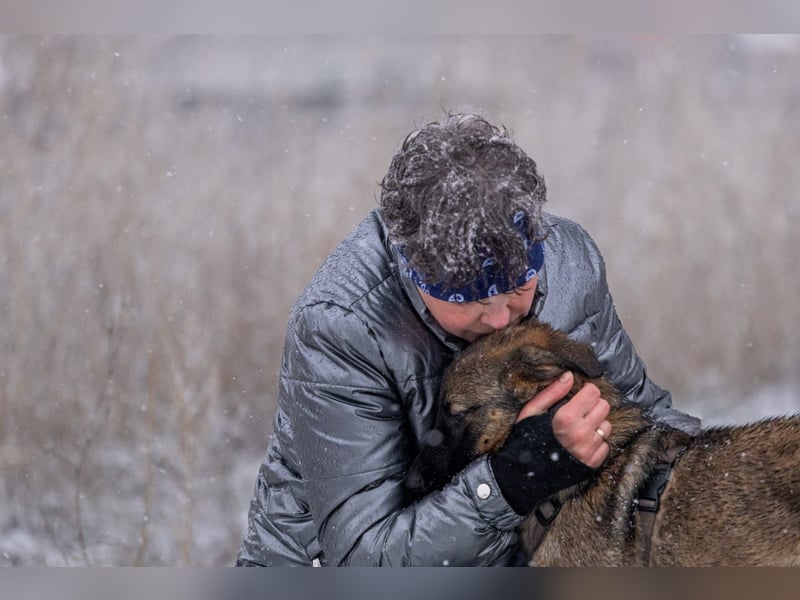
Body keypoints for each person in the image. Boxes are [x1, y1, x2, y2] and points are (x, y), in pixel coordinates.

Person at [237, 113, 700, 567]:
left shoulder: (569, 260)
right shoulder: (341, 327)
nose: (500, 318)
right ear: (413, 268)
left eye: (519, 285)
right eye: (468, 298)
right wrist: (518, 475)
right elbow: (364, 554)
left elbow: (646, 413)